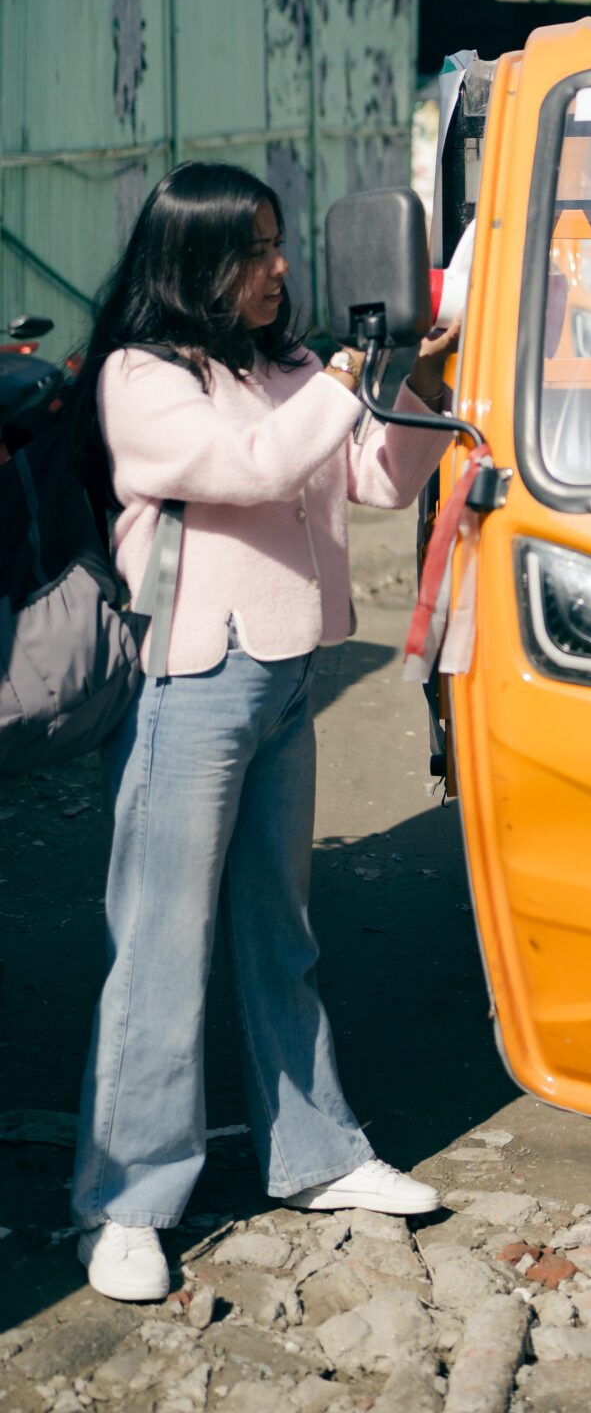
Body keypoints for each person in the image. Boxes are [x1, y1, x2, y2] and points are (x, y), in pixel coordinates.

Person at [67, 164, 458, 1303]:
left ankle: (318, 1154)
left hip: (290, 673)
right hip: (191, 680)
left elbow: (377, 478)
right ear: (195, 261)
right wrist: (346, 375)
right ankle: (128, 1200)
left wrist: (422, 378)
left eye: (282, 245)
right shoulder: (141, 378)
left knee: (277, 929)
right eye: (257, 250)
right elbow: (252, 466)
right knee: (158, 942)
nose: (280, 270)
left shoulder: (286, 368)